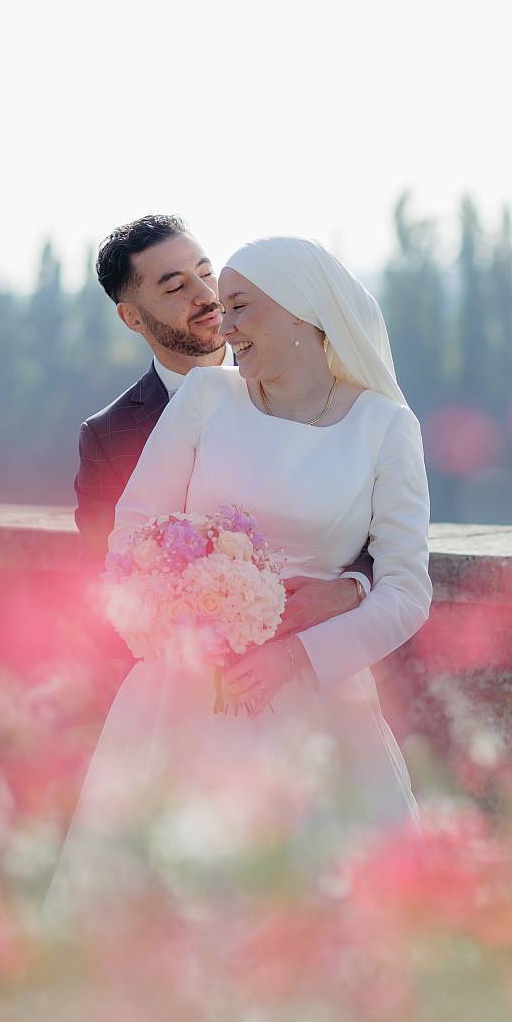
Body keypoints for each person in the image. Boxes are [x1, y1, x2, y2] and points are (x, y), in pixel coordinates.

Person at [46, 236, 432, 916]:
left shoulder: (385, 427)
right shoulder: (206, 397)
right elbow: (132, 536)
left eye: (241, 306)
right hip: (181, 698)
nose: (224, 325)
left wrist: (299, 656)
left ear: (302, 311)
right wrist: (189, 620)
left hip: (319, 706)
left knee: (311, 911)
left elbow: (407, 589)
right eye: (221, 307)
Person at [75, 216, 373, 674]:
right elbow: (111, 583)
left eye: (205, 272)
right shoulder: (107, 436)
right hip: (182, 681)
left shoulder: (310, 382)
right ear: (132, 317)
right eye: (176, 287)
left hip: (315, 663)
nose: (205, 295)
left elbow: (381, 533)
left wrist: (351, 586)